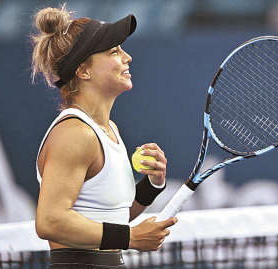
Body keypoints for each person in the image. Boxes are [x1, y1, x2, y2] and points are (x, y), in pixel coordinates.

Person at [31, 4, 177, 268]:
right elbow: (50, 221)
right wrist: (130, 237)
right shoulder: (75, 134)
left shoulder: (109, 129)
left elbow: (112, 217)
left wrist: (152, 185)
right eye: (114, 51)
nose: (127, 57)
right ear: (83, 71)